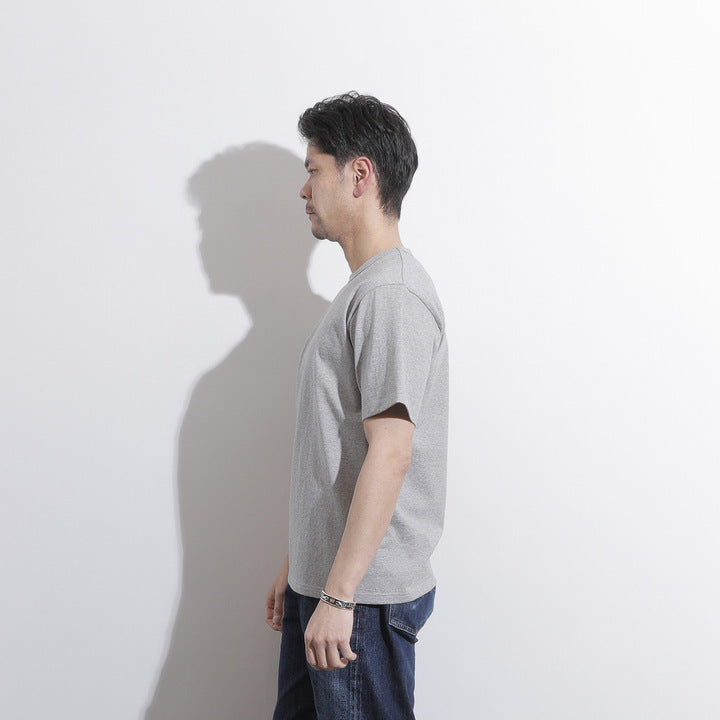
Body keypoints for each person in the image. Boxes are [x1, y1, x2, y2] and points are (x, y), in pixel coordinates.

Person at [265, 92, 449, 720]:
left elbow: (390, 453)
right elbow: (336, 446)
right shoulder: (363, 291)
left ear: (360, 175)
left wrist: (340, 594)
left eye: (314, 170)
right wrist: (302, 561)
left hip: (360, 600)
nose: (304, 190)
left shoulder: (390, 295)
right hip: (328, 587)